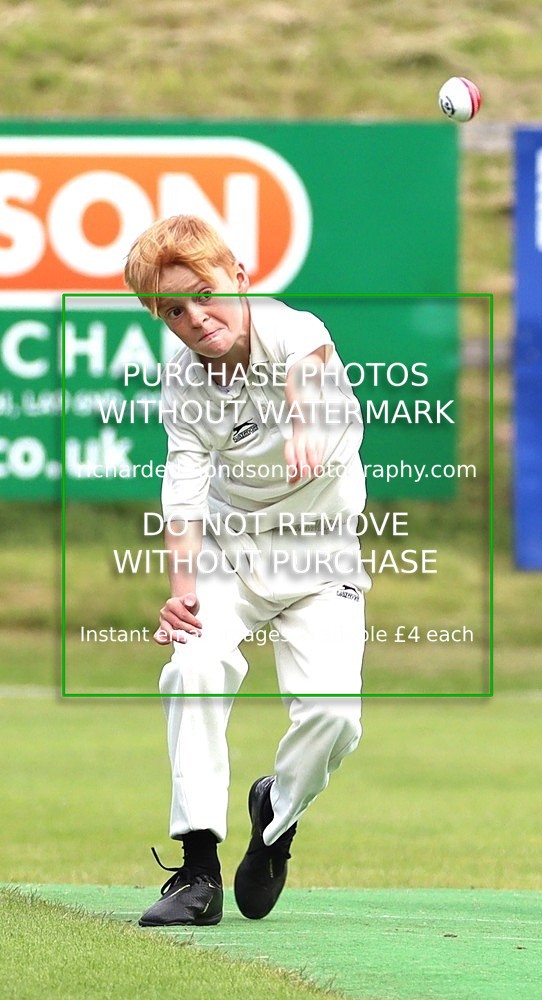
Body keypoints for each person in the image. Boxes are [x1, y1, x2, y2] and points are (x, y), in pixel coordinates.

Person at [124, 215, 370, 927]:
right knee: (191, 666)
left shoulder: (293, 328)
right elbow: (183, 487)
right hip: (234, 556)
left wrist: (301, 424)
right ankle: (196, 871)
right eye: (173, 309)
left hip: (321, 558)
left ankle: (276, 820)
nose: (195, 318)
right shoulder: (184, 383)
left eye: (204, 294)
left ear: (239, 277)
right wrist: (181, 596)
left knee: (333, 718)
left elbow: (308, 373)